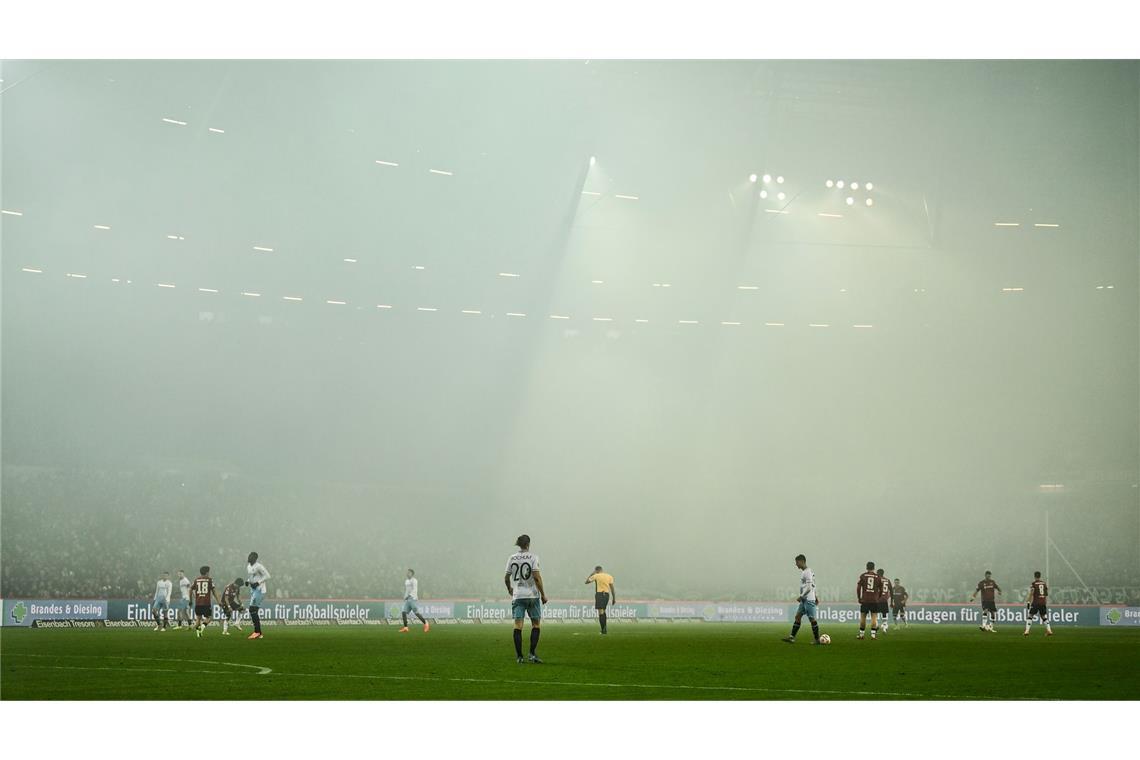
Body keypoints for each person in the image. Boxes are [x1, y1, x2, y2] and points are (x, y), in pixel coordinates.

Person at [504, 534, 547, 663]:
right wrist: (543, 594)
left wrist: (510, 589)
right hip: (532, 596)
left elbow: (506, 578)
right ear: (528, 544)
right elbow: (537, 577)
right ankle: (532, 654)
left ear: (519, 544)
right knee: (536, 625)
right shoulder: (533, 557)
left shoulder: (512, 558)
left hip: (518, 596)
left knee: (518, 626)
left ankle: (519, 657)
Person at [782, 554, 823, 644]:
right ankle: (792, 637)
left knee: (812, 619)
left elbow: (809, 587)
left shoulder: (807, 572)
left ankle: (817, 640)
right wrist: (815, 596)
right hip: (806, 599)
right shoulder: (807, 571)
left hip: (808, 599)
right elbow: (813, 585)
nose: (796, 564)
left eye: (797, 562)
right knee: (798, 616)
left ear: (802, 561)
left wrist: (801, 596)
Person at [246, 551, 271, 640]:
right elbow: (252, 576)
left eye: (251, 556)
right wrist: (248, 581)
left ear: (255, 558)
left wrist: (258, 583)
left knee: (252, 609)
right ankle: (259, 633)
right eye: (249, 556)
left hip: (260, 590)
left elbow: (268, 576)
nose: (249, 557)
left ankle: (257, 632)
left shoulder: (259, 566)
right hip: (253, 590)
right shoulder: (248, 566)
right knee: (254, 610)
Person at [191, 565, 222, 638]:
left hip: (198, 602)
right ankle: (201, 628)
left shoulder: (196, 579)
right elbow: (214, 591)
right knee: (209, 618)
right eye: (209, 572)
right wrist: (219, 601)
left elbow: (190, 589)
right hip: (206, 602)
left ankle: (198, 634)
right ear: (207, 572)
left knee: (198, 618)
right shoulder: (209, 580)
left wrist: (192, 597)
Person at [584, 565, 616, 634]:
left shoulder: (596, 576)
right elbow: (612, 588)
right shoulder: (609, 576)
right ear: (602, 569)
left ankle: (603, 630)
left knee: (600, 612)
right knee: (603, 611)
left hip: (600, 594)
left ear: (596, 570)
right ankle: (604, 628)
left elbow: (586, 582)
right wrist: (614, 598)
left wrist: (592, 573)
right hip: (607, 595)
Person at [856, 561, 883, 640]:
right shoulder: (878, 577)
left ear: (866, 567)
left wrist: (859, 597)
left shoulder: (863, 576)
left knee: (863, 616)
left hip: (865, 600)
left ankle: (861, 635)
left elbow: (858, 588)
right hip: (874, 600)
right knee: (874, 617)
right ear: (874, 568)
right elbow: (881, 589)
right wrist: (878, 597)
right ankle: (873, 636)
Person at [1023, 571, 1053, 637]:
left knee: (1030, 615)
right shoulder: (1044, 583)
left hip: (1036, 602)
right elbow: (1046, 594)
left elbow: (1032, 592)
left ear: (1034, 576)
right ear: (1040, 576)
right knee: (1043, 617)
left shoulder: (1034, 583)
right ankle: (1049, 630)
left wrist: (1028, 601)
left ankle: (1027, 631)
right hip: (1043, 602)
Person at [399, 569, 429, 633]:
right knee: (403, 612)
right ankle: (406, 628)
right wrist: (405, 596)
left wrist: (409, 596)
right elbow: (407, 590)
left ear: (412, 574)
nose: (407, 574)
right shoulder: (406, 581)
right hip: (408, 599)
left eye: (409, 573)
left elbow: (415, 590)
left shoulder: (414, 580)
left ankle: (426, 623)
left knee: (416, 613)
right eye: (407, 572)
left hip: (413, 598)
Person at [876, 569, 893, 634]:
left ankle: (876, 625)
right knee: (884, 615)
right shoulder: (887, 580)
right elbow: (891, 591)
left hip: (877, 600)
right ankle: (884, 627)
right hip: (884, 600)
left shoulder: (877, 580)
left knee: (874, 613)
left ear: (878, 573)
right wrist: (891, 602)